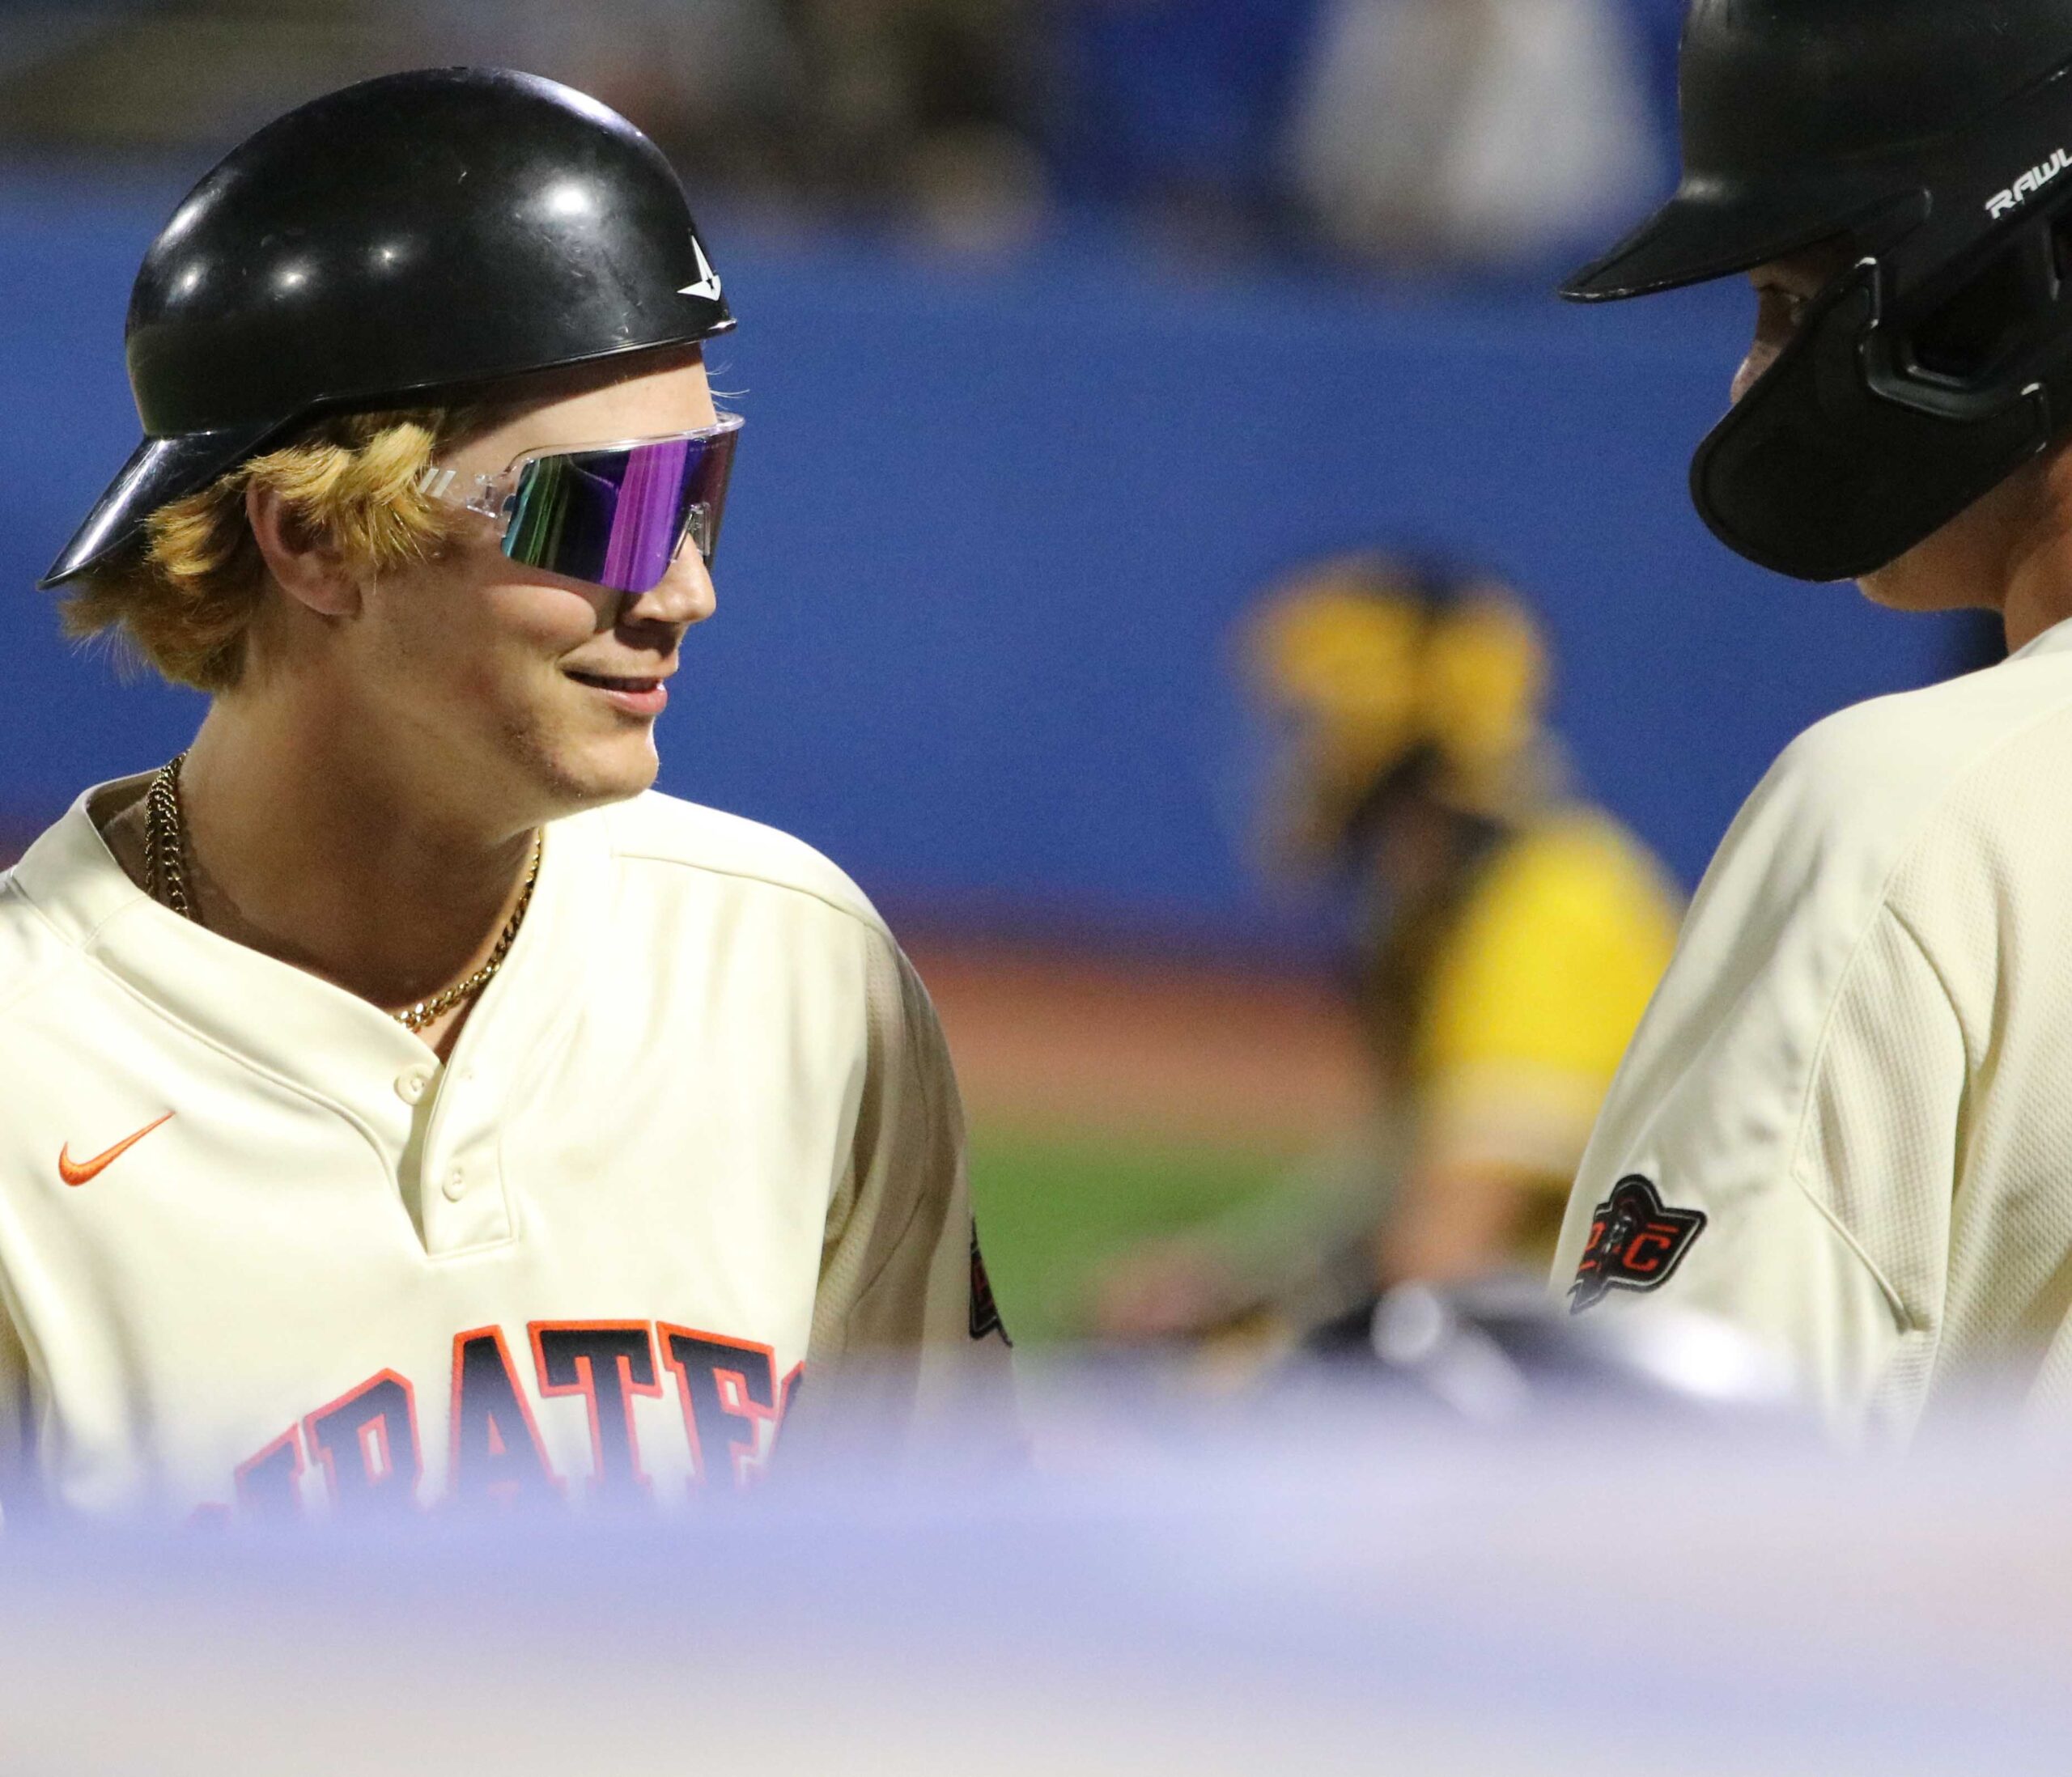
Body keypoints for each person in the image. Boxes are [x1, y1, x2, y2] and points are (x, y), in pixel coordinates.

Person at [3, 67, 1011, 1521]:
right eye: (606, 506)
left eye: (699, 494)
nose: (684, 592)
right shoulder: (27, 1076)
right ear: (313, 540)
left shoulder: (796, 968)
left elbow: (940, 1587)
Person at [1551, 0, 2072, 1439]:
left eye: (1792, 301)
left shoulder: (1916, 812)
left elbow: (1678, 1500)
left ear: (2013, 290)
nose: (1753, 377)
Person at [1091, 555, 1681, 1343]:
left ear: (1393, 736)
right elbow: (1408, 1192)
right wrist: (1231, 1284)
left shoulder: (1553, 908)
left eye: (1313, 724)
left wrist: (1245, 1344)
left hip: (1621, 1376)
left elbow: (1434, 1257)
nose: (1291, 759)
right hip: (1568, 1344)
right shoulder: (1449, 910)